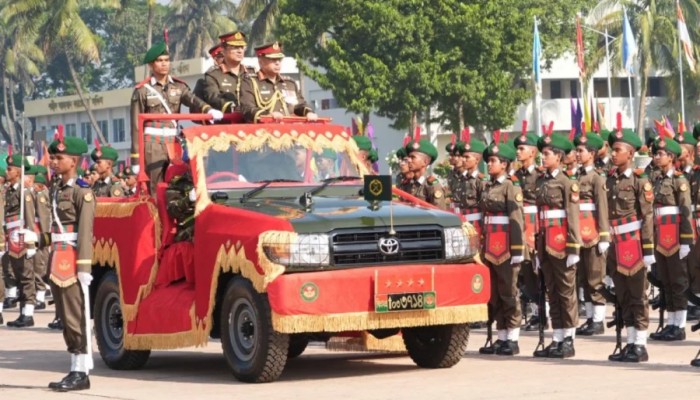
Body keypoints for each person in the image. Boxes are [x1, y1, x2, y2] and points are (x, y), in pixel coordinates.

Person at [130, 41, 223, 192]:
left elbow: (192, 100)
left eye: (166, 60)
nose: (164, 64)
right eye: (159, 61)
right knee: (156, 186)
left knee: (179, 183)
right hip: (152, 145)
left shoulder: (179, 86)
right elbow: (135, 126)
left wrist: (208, 110)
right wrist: (135, 158)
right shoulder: (142, 91)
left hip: (174, 143)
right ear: (151, 65)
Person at [47, 133, 95, 391]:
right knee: (65, 315)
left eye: (58, 157)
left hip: (72, 258)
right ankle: (74, 366)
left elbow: (86, 231)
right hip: (57, 256)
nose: (53, 161)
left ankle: (81, 371)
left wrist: (84, 267)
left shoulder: (82, 191)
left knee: (76, 315)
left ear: (73, 161)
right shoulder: (56, 188)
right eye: (53, 157)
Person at [605, 128, 654, 362]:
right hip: (615, 244)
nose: (613, 154)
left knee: (637, 295)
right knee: (622, 295)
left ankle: (641, 344)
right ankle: (630, 340)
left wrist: (648, 249)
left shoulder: (639, 181)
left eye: (618, 150)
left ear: (630, 153)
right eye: (612, 149)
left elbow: (647, 216)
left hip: (633, 244)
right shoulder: (610, 179)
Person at [532, 132, 581, 359]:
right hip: (545, 242)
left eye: (547, 154)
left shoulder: (567, 182)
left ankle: (569, 338)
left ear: (559, 157)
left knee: (566, 291)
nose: (543, 158)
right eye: (542, 154)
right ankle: (558, 336)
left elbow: (572, 217)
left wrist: (573, 247)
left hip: (561, 243)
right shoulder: (541, 181)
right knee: (552, 291)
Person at [478, 135, 525, 356]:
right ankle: (502, 336)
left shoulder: (510, 186)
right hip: (490, 245)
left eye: (494, 161)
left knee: (509, 292)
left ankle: (513, 338)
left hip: (506, 246)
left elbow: (517, 221)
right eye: (489, 161)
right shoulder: (488, 186)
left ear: (504, 164)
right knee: (494, 293)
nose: (489, 164)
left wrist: (517, 250)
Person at [648, 133, 694, 342]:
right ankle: (671, 322)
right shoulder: (656, 179)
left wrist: (686, 240)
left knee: (678, 281)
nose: (656, 157)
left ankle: (680, 324)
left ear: (671, 157)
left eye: (660, 154)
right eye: (656, 154)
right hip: (660, 235)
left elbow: (686, 214)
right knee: (665, 280)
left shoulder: (679, 181)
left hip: (674, 236)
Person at [573, 132, 611, 336]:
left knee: (596, 277)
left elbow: (602, 207)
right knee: (583, 278)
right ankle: (589, 318)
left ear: (593, 153)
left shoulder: (597, 178)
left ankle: (598, 319)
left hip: (594, 234)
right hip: (579, 234)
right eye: (577, 150)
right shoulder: (576, 176)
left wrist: (604, 235)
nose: (577, 154)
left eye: (581, 151)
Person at [512, 130, 545, 331]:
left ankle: (542, 312)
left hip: (535, 224)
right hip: (520, 223)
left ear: (532, 152)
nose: (518, 152)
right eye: (517, 148)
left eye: (522, 148)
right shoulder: (515, 176)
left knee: (537, 269)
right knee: (524, 272)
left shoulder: (540, 175)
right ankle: (534, 312)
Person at [239, 41, 318, 123]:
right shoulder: (249, 83)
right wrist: (268, 115)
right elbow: (247, 109)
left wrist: (308, 112)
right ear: (260, 61)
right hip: (264, 130)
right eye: (272, 59)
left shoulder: (289, 83)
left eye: (279, 59)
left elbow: (299, 105)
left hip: (289, 130)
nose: (277, 63)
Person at [4, 154, 40, 328]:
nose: (7, 171)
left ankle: (28, 314)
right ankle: (21, 313)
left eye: (10, 169)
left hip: (22, 238)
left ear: (18, 171)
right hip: (11, 237)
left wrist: (31, 243)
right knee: (17, 276)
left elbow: (30, 219)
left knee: (27, 276)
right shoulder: (10, 191)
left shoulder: (24, 192)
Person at [203, 31, 255, 114]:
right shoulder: (213, 75)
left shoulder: (252, 73)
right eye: (235, 47)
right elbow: (214, 98)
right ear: (223, 50)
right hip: (227, 122)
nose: (240, 51)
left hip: (251, 121)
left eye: (242, 47)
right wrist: (232, 107)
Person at [398, 138, 447, 209]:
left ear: (425, 162)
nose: (409, 160)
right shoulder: (408, 183)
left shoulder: (431, 185)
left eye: (412, 157)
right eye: (408, 157)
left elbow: (439, 212)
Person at [454, 136, 487, 236]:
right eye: (462, 157)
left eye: (467, 157)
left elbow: (484, 206)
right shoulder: (461, 178)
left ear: (477, 160)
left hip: (476, 224)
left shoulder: (480, 180)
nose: (463, 160)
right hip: (462, 222)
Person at [191, 43, 225, 114]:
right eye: (221, 57)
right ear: (215, 60)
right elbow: (194, 110)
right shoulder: (205, 81)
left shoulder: (242, 76)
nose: (225, 60)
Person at [165, 169, 196, 242]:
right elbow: (172, 211)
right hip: (188, 230)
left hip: (212, 221)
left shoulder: (214, 179)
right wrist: (188, 199)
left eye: (205, 159)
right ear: (189, 162)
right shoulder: (179, 183)